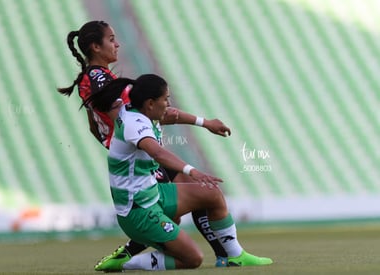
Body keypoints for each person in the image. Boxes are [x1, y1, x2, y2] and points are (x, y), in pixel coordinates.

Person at [57, 21, 233, 270]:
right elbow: (139, 116)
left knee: (187, 201)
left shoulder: (95, 79)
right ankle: (130, 257)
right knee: (183, 202)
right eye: (111, 39)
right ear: (96, 46)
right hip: (141, 156)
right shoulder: (99, 79)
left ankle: (225, 255)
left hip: (138, 153)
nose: (117, 44)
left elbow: (94, 126)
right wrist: (129, 143)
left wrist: (115, 145)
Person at [82, 74, 273, 271]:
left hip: (153, 195)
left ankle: (236, 256)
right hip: (137, 211)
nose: (169, 103)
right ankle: (126, 262)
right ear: (150, 104)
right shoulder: (134, 123)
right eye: (165, 98)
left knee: (212, 194)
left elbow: (173, 115)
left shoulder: (141, 111)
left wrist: (205, 123)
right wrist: (192, 171)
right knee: (193, 259)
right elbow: (157, 153)